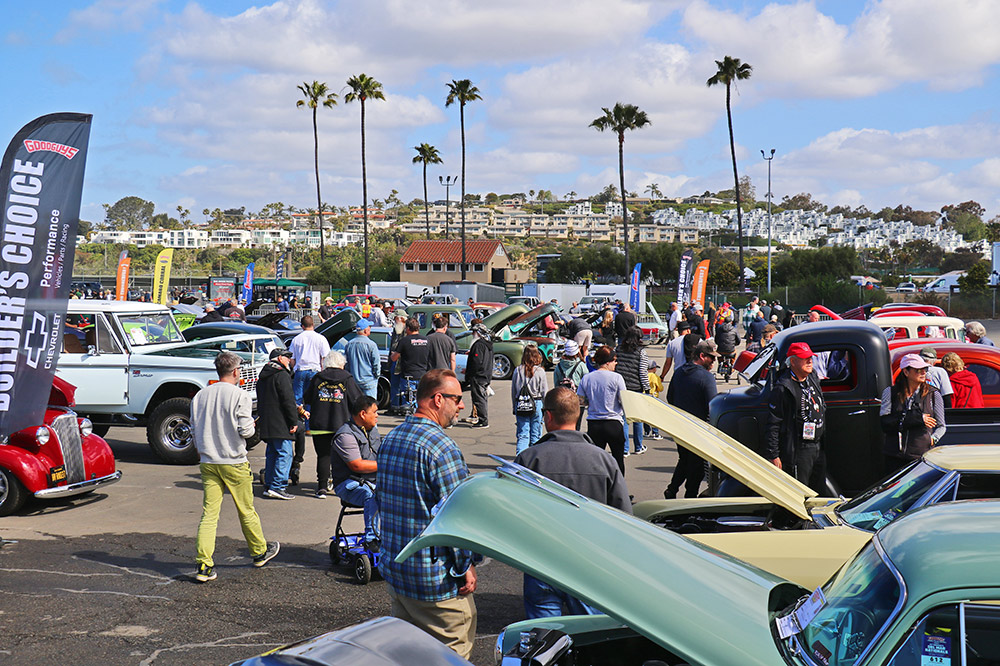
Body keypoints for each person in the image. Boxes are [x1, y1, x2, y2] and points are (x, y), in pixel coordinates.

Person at [377, 369, 478, 659]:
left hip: (398, 572)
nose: (462, 405)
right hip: (435, 582)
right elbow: (456, 517)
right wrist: (464, 566)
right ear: (437, 399)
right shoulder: (442, 447)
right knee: (451, 655)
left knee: (408, 656)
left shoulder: (391, 437)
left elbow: (383, 501)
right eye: (457, 399)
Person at [514, 387, 631, 618]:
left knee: (545, 634)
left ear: (548, 416)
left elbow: (513, 514)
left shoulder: (528, 459)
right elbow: (624, 518)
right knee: (590, 630)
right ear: (578, 416)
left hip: (541, 560)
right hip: (589, 563)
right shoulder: (604, 460)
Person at [191, 351, 280, 582]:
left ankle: (204, 564)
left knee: (209, 514)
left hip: (209, 461)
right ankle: (259, 552)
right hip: (234, 460)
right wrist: (252, 423)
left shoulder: (201, 395)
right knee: (246, 509)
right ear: (235, 371)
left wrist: (201, 448)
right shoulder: (240, 395)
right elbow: (246, 431)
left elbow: (194, 428)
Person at [766, 342, 827, 493]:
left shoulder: (812, 377)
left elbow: (821, 404)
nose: (810, 361)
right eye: (805, 358)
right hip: (799, 448)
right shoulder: (783, 387)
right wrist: (773, 454)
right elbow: (774, 423)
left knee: (819, 489)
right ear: (793, 361)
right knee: (801, 491)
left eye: (810, 357)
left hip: (818, 445)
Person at [663, 339, 719, 498]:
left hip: (680, 426)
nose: (714, 361)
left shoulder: (679, 372)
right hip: (699, 428)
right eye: (712, 358)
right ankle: (690, 495)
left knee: (684, 459)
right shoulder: (706, 377)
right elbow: (713, 405)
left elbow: (670, 397)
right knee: (697, 465)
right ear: (702, 356)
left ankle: (672, 489)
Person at [305, 350, 362, 498]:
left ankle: (322, 487)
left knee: (323, 455)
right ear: (341, 364)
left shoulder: (318, 378)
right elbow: (357, 400)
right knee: (344, 456)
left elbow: (307, 398)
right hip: (341, 424)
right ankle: (343, 486)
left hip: (319, 423)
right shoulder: (347, 378)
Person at [880, 353, 946, 474]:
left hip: (921, 455)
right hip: (894, 455)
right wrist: (917, 418)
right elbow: (885, 422)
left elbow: (942, 426)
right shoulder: (890, 392)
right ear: (906, 372)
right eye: (918, 370)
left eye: (925, 369)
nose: (923, 373)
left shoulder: (933, 394)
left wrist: (932, 439)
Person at [332, 395, 380, 547]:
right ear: (363, 414)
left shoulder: (373, 431)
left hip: (373, 481)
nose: (377, 415)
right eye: (374, 412)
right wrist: (386, 465)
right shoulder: (345, 435)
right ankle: (372, 539)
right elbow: (357, 466)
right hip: (348, 484)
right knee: (371, 495)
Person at [257, 348, 301, 500]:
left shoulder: (263, 375)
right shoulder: (281, 375)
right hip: (280, 421)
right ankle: (278, 486)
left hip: (267, 420)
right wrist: (293, 420)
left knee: (272, 453)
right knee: (285, 453)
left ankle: (269, 485)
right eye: (287, 357)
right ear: (280, 358)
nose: (289, 360)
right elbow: (288, 399)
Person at [577, 346, 627, 475]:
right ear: (608, 362)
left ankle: (596, 484)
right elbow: (624, 399)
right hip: (613, 423)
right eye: (614, 360)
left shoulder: (587, 378)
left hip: (594, 423)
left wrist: (593, 401)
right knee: (618, 459)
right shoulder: (617, 378)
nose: (616, 363)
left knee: (595, 461)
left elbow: (581, 401)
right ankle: (619, 485)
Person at [615, 326, 650, 456]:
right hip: (636, 388)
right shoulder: (641, 352)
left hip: (621, 387)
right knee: (637, 419)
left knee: (623, 419)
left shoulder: (618, 349)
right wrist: (647, 388)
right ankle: (638, 446)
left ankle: (625, 449)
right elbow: (643, 372)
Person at [289, 315, 332, 413]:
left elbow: (292, 359)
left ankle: (298, 418)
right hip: (315, 371)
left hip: (300, 370)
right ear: (313, 324)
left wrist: (294, 369)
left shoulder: (296, 339)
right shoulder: (321, 338)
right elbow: (325, 357)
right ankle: (309, 418)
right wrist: (323, 371)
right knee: (312, 398)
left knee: (298, 398)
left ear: (302, 326)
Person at [511, 346, 548, 454]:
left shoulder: (518, 370)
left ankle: (520, 457)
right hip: (536, 403)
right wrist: (546, 407)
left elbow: (514, 390)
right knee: (535, 435)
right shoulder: (540, 371)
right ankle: (534, 457)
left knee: (523, 434)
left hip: (521, 402)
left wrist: (514, 406)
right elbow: (544, 391)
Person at [391, 317, 430, 406]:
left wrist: (393, 354)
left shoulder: (404, 341)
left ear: (408, 328)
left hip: (408, 376)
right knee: (421, 400)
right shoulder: (426, 340)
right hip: (422, 375)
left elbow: (394, 358)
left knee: (408, 403)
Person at [464, 323, 493, 428]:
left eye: (474, 332)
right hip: (486, 374)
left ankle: (483, 420)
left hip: (478, 376)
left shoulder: (478, 345)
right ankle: (482, 418)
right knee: (482, 397)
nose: (472, 334)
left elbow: (477, 361)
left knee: (479, 398)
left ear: (478, 333)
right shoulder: (488, 344)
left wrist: (470, 373)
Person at [555, 339, 588, 427]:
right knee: (577, 424)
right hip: (578, 399)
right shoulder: (581, 365)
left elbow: (556, 385)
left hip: (563, 399)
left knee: (564, 424)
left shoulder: (558, 366)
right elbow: (586, 382)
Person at [344, 318, 381, 399]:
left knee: (356, 404)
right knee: (370, 404)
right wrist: (376, 376)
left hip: (354, 381)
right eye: (369, 328)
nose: (370, 329)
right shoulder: (371, 345)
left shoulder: (349, 344)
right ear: (365, 331)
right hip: (369, 381)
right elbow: (376, 364)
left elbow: (347, 364)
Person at [388, 310, 409, 414]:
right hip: (394, 362)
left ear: (401, 318)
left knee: (404, 386)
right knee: (394, 385)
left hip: (403, 363)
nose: (394, 320)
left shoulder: (407, 330)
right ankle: (394, 406)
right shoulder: (396, 329)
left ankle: (405, 407)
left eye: (396, 318)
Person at [645, 359, 663, 440]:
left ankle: (647, 431)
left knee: (645, 416)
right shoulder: (655, 377)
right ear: (654, 368)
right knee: (655, 416)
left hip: (645, 396)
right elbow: (660, 388)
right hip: (653, 397)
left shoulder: (644, 375)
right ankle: (655, 433)